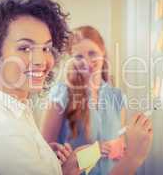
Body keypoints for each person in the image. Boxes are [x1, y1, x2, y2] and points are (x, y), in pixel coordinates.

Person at [0, 0, 152, 175]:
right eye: (25, 48)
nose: (41, 61)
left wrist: (53, 161)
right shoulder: (1, 130)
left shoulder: (17, 112)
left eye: (46, 48)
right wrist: (133, 158)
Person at [41, 26, 153, 174]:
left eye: (92, 53)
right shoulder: (61, 94)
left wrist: (127, 146)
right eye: (78, 56)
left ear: (103, 51)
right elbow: (44, 157)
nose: (86, 62)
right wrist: (95, 151)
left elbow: (119, 150)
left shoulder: (117, 96)